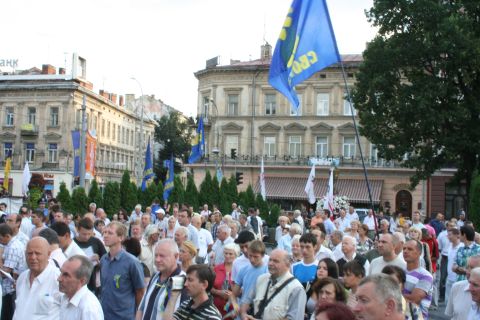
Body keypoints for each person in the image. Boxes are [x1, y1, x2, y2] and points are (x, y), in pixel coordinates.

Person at [240, 249, 306, 320]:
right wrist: (244, 315)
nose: (270, 263)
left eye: (276, 261)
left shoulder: (296, 288)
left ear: (287, 264)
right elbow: (246, 301)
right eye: (270, 260)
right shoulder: (261, 279)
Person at [100, 221, 145, 320]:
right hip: (104, 315)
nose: (105, 235)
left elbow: (140, 291)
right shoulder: (103, 260)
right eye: (105, 232)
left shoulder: (132, 262)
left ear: (121, 238)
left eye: (110, 233)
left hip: (124, 316)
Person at [136, 239, 188, 320]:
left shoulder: (183, 281)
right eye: (156, 255)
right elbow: (142, 307)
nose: (157, 259)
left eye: (162, 256)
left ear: (176, 256)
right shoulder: (155, 276)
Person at [13, 237, 60, 320]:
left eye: (37, 253)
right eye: (29, 253)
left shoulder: (57, 278)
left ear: (48, 254)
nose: (33, 257)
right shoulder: (22, 277)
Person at [58, 255, 104, 319]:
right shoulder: (65, 297)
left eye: (66, 275)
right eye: (61, 272)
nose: (59, 279)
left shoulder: (89, 308)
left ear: (82, 281)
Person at [231, 240, 268, 316]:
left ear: (263, 256)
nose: (252, 259)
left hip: (259, 313)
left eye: (256, 257)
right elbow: (233, 294)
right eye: (250, 256)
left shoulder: (267, 271)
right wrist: (235, 304)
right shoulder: (243, 270)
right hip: (242, 311)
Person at [0, 223, 27, 320]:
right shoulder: (11, 244)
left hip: (11, 290)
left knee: (8, 315)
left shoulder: (13, 247)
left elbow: (5, 272)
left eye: (0, 238)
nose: (0, 241)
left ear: (7, 236)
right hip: (10, 289)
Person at [74, 217, 106, 295]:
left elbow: (105, 258)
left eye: (89, 234)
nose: (86, 237)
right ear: (78, 230)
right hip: (76, 281)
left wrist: (100, 263)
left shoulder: (96, 241)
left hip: (93, 281)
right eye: (84, 234)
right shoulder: (73, 243)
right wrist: (88, 259)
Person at [402, 239, 433, 319]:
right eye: (404, 248)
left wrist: (390, 295)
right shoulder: (400, 270)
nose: (405, 251)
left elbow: (414, 300)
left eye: (410, 249)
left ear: (419, 253)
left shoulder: (426, 276)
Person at [445, 255, 480, 320]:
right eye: (467, 267)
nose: (468, 271)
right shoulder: (457, 287)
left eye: (473, 268)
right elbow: (452, 316)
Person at [211, 243, 239, 318]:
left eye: (230, 254)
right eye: (226, 253)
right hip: (216, 308)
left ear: (236, 255)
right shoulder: (216, 269)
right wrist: (218, 292)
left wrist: (232, 295)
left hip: (232, 309)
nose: (227, 256)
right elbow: (209, 287)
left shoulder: (239, 271)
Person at [445, 227, 463, 304]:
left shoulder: (462, 247)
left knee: (457, 302)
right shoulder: (449, 246)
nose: (448, 237)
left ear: (457, 235)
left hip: (458, 278)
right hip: (449, 277)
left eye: (450, 235)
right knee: (448, 302)